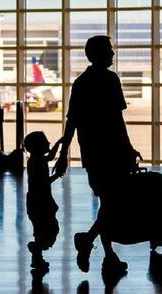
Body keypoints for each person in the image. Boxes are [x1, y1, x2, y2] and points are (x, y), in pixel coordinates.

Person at [54, 35, 141, 273]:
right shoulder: (111, 80)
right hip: (112, 150)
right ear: (100, 54)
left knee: (108, 203)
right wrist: (128, 148)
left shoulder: (81, 82)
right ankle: (89, 241)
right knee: (113, 204)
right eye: (109, 50)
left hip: (92, 152)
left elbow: (73, 120)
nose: (113, 54)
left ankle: (108, 254)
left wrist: (64, 155)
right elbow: (117, 120)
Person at [23, 131, 62, 270]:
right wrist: (56, 176)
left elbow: (51, 156)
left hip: (35, 200)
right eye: (46, 142)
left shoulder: (35, 160)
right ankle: (37, 248)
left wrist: (59, 143)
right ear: (39, 146)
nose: (48, 144)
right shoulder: (38, 161)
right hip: (42, 200)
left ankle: (37, 255)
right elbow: (43, 182)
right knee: (51, 228)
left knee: (40, 230)